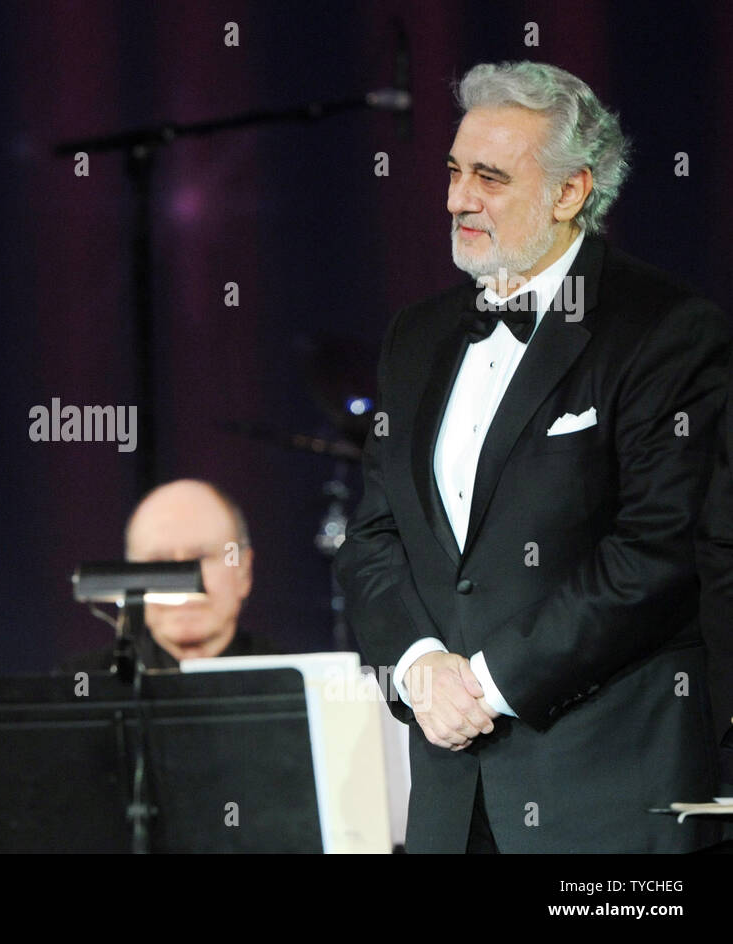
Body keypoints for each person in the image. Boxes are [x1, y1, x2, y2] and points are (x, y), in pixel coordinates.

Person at [335, 61, 727, 853]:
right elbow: (375, 536)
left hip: (610, 799)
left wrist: (485, 682)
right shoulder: (417, 337)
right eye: (452, 171)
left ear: (569, 193)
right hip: (451, 803)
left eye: (489, 177)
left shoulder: (665, 329)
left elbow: (656, 551)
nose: (456, 200)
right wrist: (418, 668)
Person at [65, 479, 274, 672]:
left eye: (200, 557)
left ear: (243, 570)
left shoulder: (297, 681)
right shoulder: (78, 686)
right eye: (160, 562)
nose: (180, 583)